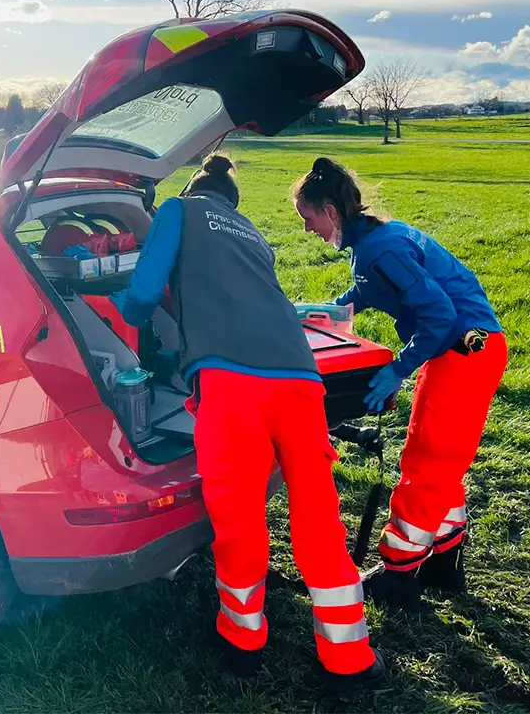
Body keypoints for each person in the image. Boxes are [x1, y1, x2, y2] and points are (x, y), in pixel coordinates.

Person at [111, 154, 385, 693]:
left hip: (231, 384)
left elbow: (144, 294)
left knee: (238, 515)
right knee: (317, 513)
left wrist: (124, 310)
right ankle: (350, 658)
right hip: (299, 377)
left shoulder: (177, 211)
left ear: (193, 189)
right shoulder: (252, 233)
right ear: (233, 204)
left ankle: (242, 642)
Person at [291, 157, 507, 607]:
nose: (308, 229)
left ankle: (397, 572)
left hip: (464, 352)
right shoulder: (375, 239)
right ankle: (443, 561)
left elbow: (441, 315)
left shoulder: (379, 248)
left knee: (425, 462)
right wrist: (317, 314)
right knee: (440, 459)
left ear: (330, 210)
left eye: (308, 218)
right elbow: (365, 293)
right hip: (468, 349)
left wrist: (397, 368)